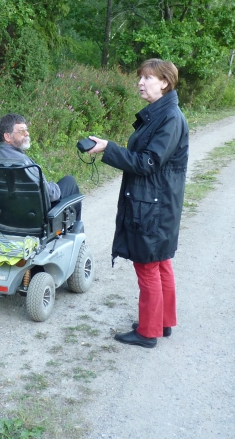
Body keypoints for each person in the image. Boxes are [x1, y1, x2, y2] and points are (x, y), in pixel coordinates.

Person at [87, 59, 188, 348]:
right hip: (157, 201)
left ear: (165, 83)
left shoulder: (170, 118)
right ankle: (162, 322)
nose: (140, 83)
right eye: (140, 77)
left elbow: (148, 162)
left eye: (148, 78)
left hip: (154, 204)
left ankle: (148, 332)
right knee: (160, 262)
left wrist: (109, 148)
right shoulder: (162, 114)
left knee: (148, 265)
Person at [0, 113, 81, 220]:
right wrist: (53, 186)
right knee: (70, 181)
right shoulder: (24, 163)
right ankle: (76, 226)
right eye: (21, 131)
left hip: (7, 216)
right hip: (34, 216)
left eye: (26, 130)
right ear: (7, 137)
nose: (27, 133)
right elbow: (50, 195)